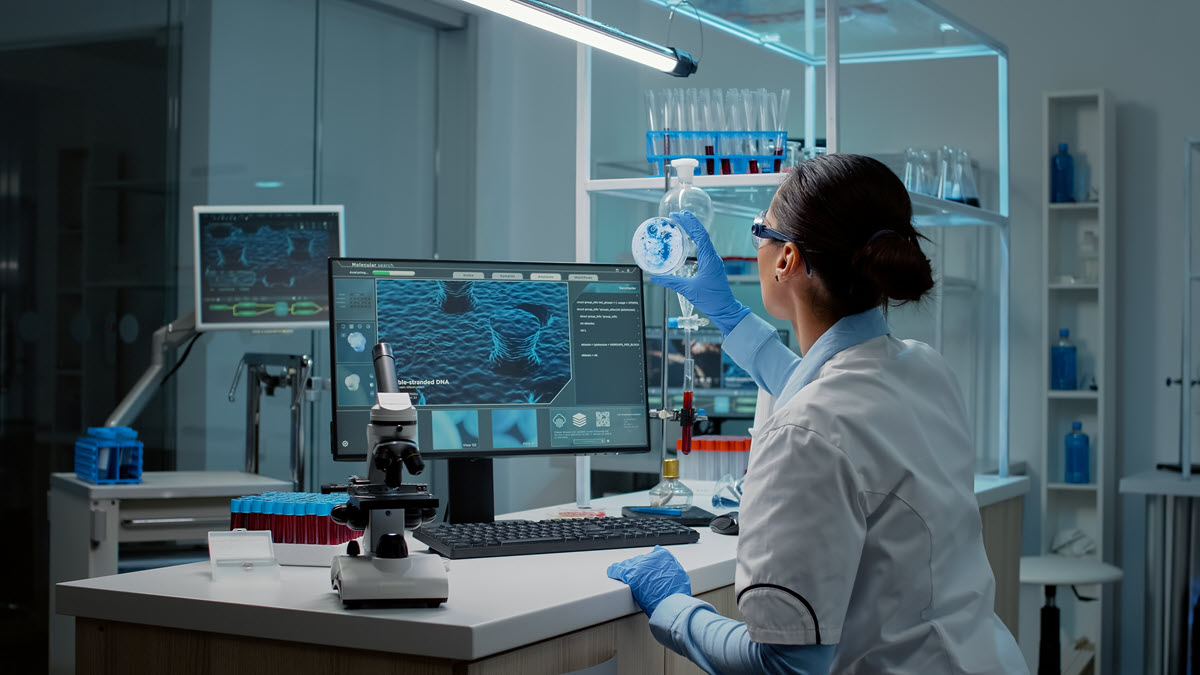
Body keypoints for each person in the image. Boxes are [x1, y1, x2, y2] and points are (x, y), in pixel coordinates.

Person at [606, 154, 1027, 674]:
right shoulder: (923, 367)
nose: (753, 245)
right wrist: (729, 315)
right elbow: (829, 398)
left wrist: (672, 606)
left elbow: (788, 665)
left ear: (786, 259)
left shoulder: (807, 430)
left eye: (759, 230)